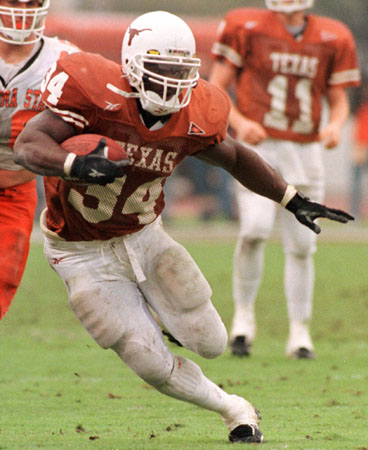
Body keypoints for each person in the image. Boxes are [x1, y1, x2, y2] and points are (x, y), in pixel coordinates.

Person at [13, 11, 353, 444]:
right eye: (161, 72)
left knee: (212, 341)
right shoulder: (95, 92)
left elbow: (234, 157)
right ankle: (234, 409)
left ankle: (159, 317)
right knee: (148, 359)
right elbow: (28, 144)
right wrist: (73, 163)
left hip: (145, 235)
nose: (173, 84)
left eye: (181, 72)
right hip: (80, 250)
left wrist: (292, 199)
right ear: (133, 67)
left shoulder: (195, 111)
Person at [209, 0, 361, 358]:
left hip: (304, 153)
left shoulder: (332, 34)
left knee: (303, 245)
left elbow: (339, 100)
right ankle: (243, 321)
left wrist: (336, 126)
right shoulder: (246, 26)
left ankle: (300, 333)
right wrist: (242, 123)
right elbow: (216, 89)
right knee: (254, 230)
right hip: (258, 151)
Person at [0, 0, 78, 320]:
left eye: (31, 2)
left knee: (4, 275)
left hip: (15, 187)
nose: (22, 10)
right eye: (13, 1)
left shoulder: (64, 60)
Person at [350, 83, 368, 219]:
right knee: (356, 179)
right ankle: (355, 211)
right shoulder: (360, 104)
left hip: (361, 143)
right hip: (360, 143)